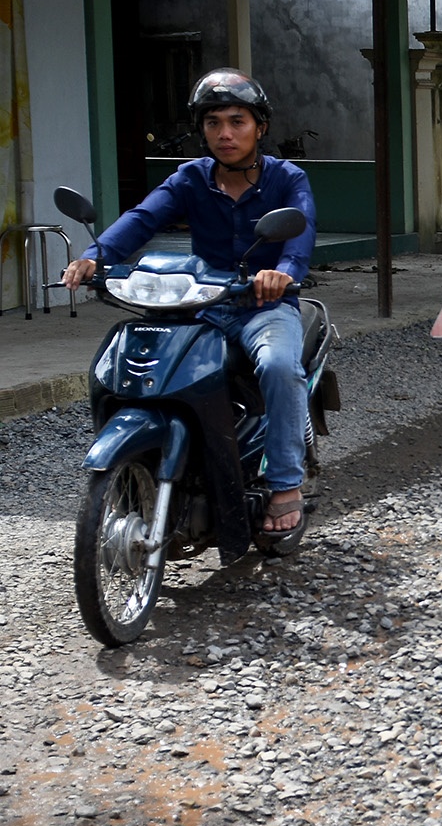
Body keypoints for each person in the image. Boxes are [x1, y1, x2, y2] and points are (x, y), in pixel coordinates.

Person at [64, 69, 318, 539]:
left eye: (237, 121)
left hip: (263, 307)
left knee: (281, 366)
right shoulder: (190, 179)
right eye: (214, 122)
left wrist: (282, 275)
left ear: (260, 126)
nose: (225, 133)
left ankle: (285, 485)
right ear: (201, 129)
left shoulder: (287, 179)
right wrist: (94, 258)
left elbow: (299, 236)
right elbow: (141, 219)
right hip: (202, 305)